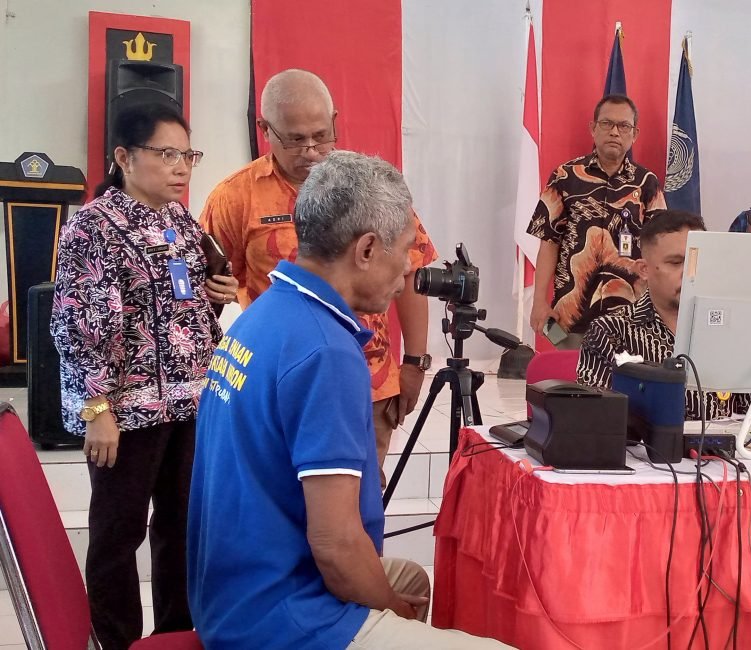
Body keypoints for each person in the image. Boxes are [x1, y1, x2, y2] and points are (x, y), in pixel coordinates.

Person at [188, 152, 511, 649]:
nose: (409, 269)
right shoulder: (326, 351)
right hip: (277, 617)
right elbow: (335, 547)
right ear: (366, 249)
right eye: (405, 251)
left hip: (229, 591)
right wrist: (392, 611)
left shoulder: (267, 311)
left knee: (413, 581)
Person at [50, 103, 238, 650]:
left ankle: (175, 635)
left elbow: (182, 312)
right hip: (125, 412)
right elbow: (78, 323)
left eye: (188, 155)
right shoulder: (93, 227)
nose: (182, 167)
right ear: (124, 157)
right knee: (118, 533)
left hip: (188, 403)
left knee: (181, 526)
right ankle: (114, 641)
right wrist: (97, 409)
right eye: (167, 154)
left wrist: (217, 296)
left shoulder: (180, 221)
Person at [200, 69, 436, 487]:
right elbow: (210, 283)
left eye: (321, 136)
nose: (311, 151)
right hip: (280, 381)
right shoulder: (236, 197)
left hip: (368, 379)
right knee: (288, 499)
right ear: (265, 130)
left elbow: (411, 269)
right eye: (295, 140)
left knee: (362, 498)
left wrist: (415, 362)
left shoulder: (371, 190)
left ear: (335, 121)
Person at [577, 210, 751, 421]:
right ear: (644, 270)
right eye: (676, 263)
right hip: (645, 461)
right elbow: (593, 414)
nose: (690, 273)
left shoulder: (730, 332)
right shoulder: (610, 331)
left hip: (726, 462)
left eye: (698, 261)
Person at [527, 94, 668, 349]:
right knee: (572, 374)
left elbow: (660, 249)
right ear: (593, 128)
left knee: (625, 376)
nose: (615, 132)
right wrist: (539, 302)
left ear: (634, 134)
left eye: (623, 126)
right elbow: (548, 243)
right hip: (571, 318)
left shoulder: (647, 183)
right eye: (606, 124)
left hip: (629, 319)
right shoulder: (565, 177)